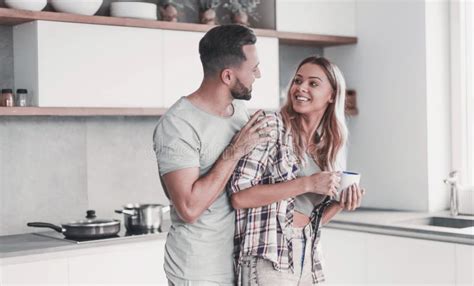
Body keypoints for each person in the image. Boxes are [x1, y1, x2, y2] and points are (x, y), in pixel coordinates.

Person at [153, 24, 274, 286]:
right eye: (253, 69)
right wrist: (235, 151)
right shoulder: (178, 125)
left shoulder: (240, 113)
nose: (259, 74)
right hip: (199, 270)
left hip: (241, 263)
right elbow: (189, 208)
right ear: (228, 76)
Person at [228, 56, 365, 285]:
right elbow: (240, 197)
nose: (300, 88)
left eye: (313, 83)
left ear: (332, 95)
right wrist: (308, 183)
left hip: (307, 255)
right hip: (269, 257)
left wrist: (341, 203)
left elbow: (312, 220)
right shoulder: (271, 127)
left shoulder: (326, 147)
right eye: (298, 81)